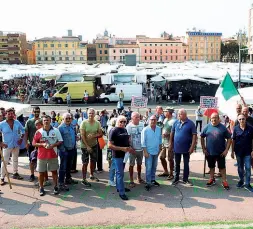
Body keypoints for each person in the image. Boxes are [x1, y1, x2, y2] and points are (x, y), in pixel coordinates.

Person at [32, 115, 63, 196]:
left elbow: (60, 141)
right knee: (41, 172)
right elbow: (34, 143)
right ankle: (41, 187)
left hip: (53, 154)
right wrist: (42, 144)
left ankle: (55, 186)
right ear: (42, 121)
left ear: (50, 121)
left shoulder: (56, 130)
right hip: (41, 156)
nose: (46, 121)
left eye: (48, 120)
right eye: (45, 120)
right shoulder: (38, 131)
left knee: (54, 171)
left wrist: (53, 145)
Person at [201, 113, 231, 190]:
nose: (213, 119)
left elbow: (229, 138)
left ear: (218, 119)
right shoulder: (207, 127)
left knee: (222, 167)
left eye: (215, 118)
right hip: (210, 152)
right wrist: (203, 148)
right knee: (211, 166)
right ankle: (212, 178)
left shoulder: (223, 127)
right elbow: (201, 136)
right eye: (212, 118)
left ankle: (224, 181)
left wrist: (226, 150)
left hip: (221, 152)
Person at [109, 115, 135, 200]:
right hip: (117, 155)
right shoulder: (114, 130)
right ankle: (121, 192)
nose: (123, 123)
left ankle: (119, 188)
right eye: (121, 121)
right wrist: (122, 148)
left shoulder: (124, 129)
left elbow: (127, 141)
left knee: (120, 172)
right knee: (120, 173)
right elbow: (110, 145)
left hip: (125, 155)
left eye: (124, 122)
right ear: (117, 122)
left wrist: (129, 147)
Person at [169, 109, 197, 186]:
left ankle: (185, 179)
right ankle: (176, 179)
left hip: (186, 148)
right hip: (176, 147)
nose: (178, 115)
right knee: (176, 164)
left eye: (180, 114)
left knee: (186, 164)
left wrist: (192, 147)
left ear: (185, 115)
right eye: (178, 114)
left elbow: (194, 136)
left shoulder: (191, 124)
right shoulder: (176, 122)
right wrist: (170, 143)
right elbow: (172, 133)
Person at [0, 108, 25, 185]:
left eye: (12, 114)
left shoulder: (17, 122)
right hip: (6, 145)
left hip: (16, 144)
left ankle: (15, 173)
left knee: (15, 159)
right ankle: (2, 177)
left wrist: (21, 138)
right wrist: (0, 143)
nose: (11, 115)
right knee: (5, 161)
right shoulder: (1, 124)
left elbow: (23, 130)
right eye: (9, 114)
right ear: (6, 115)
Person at [80, 108, 103, 187]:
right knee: (85, 163)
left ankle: (91, 174)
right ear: (87, 114)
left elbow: (100, 134)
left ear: (95, 114)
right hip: (85, 146)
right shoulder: (84, 123)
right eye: (89, 113)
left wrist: (93, 135)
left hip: (94, 145)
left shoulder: (97, 123)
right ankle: (83, 179)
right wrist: (87, 146)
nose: (91, 115)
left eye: (92, 113)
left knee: (93, 161)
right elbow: (82, 135)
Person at [231, 114, 253, 192]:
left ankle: (247, 184)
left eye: (243, 119)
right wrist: (232, 151)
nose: (241, 121)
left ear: (245, 119)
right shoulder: (236, 129)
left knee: (247, 168)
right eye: (240, 119)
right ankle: (241, 181)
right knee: (240, 168)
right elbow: (233, 140)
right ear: (238, 120)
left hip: (248, 152)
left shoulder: (250, 128)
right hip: (238, 152)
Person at [141, 115, 162, 191]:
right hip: (148, 152)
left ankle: (153, 180)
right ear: (149, 121)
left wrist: (160, 149)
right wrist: (145, 152)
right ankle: (148, 182)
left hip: (156, 151)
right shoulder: (145, 130)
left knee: (154, 167)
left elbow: (160, 139)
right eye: (151, 120)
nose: (153, 121)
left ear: (156, 121)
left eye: (154, 120)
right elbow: (143, 142)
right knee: (148, 168)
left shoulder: (159, 129)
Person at [58, 113, 78, 191]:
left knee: (69, 166)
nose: (68, 120)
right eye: (66, 118)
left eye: (70, 118)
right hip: (64, 151)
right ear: (63, 119)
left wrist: (76, 138)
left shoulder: (72, 126)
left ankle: (68, 178)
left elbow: (73, 135)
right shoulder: (60, 128)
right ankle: (61, 183)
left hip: (72, 149)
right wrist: (63, 150)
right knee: (63, 167)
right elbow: (59, 140)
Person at [126, 112, 145, 188]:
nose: (138, 118)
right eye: (136, 117)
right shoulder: (129, 126)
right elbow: (128, 138)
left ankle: (139, 177)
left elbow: (144, 135)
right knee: (131, 165)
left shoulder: (142, 124)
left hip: (140, 149)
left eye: (138, 117)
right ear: (132, 118)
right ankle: (131, 180)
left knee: (139, 164)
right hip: (132, 150)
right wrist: (130, 147)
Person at [158, 107, 176, 180]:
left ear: (169, 112)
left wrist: (168, 135)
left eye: (165, 111)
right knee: (162, 157)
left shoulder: (174, 121)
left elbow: (176, 132)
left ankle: (171, 173)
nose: (164, 113)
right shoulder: (165, 119)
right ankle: (166, 171)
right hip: (164, 142)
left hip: (170, 142)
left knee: (170, 159)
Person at [25, 106, 41, 182]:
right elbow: (26, 133)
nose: (36, 113)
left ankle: (40, 175)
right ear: (33, 112)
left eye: (38, 111)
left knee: (41, 161)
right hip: (31, 144)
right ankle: (32, 174)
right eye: (35, 111)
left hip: (41, 145)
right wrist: (26, 143)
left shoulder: (42, 121)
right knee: (31, 160)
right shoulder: (29, 121)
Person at [107, 118, 117, 186]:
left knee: (112, 164)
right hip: (112, 148)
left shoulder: (110, 128)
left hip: (111, 148)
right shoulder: (112, 129)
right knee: (113, 164)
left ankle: (113, 178)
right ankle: (111, 179)